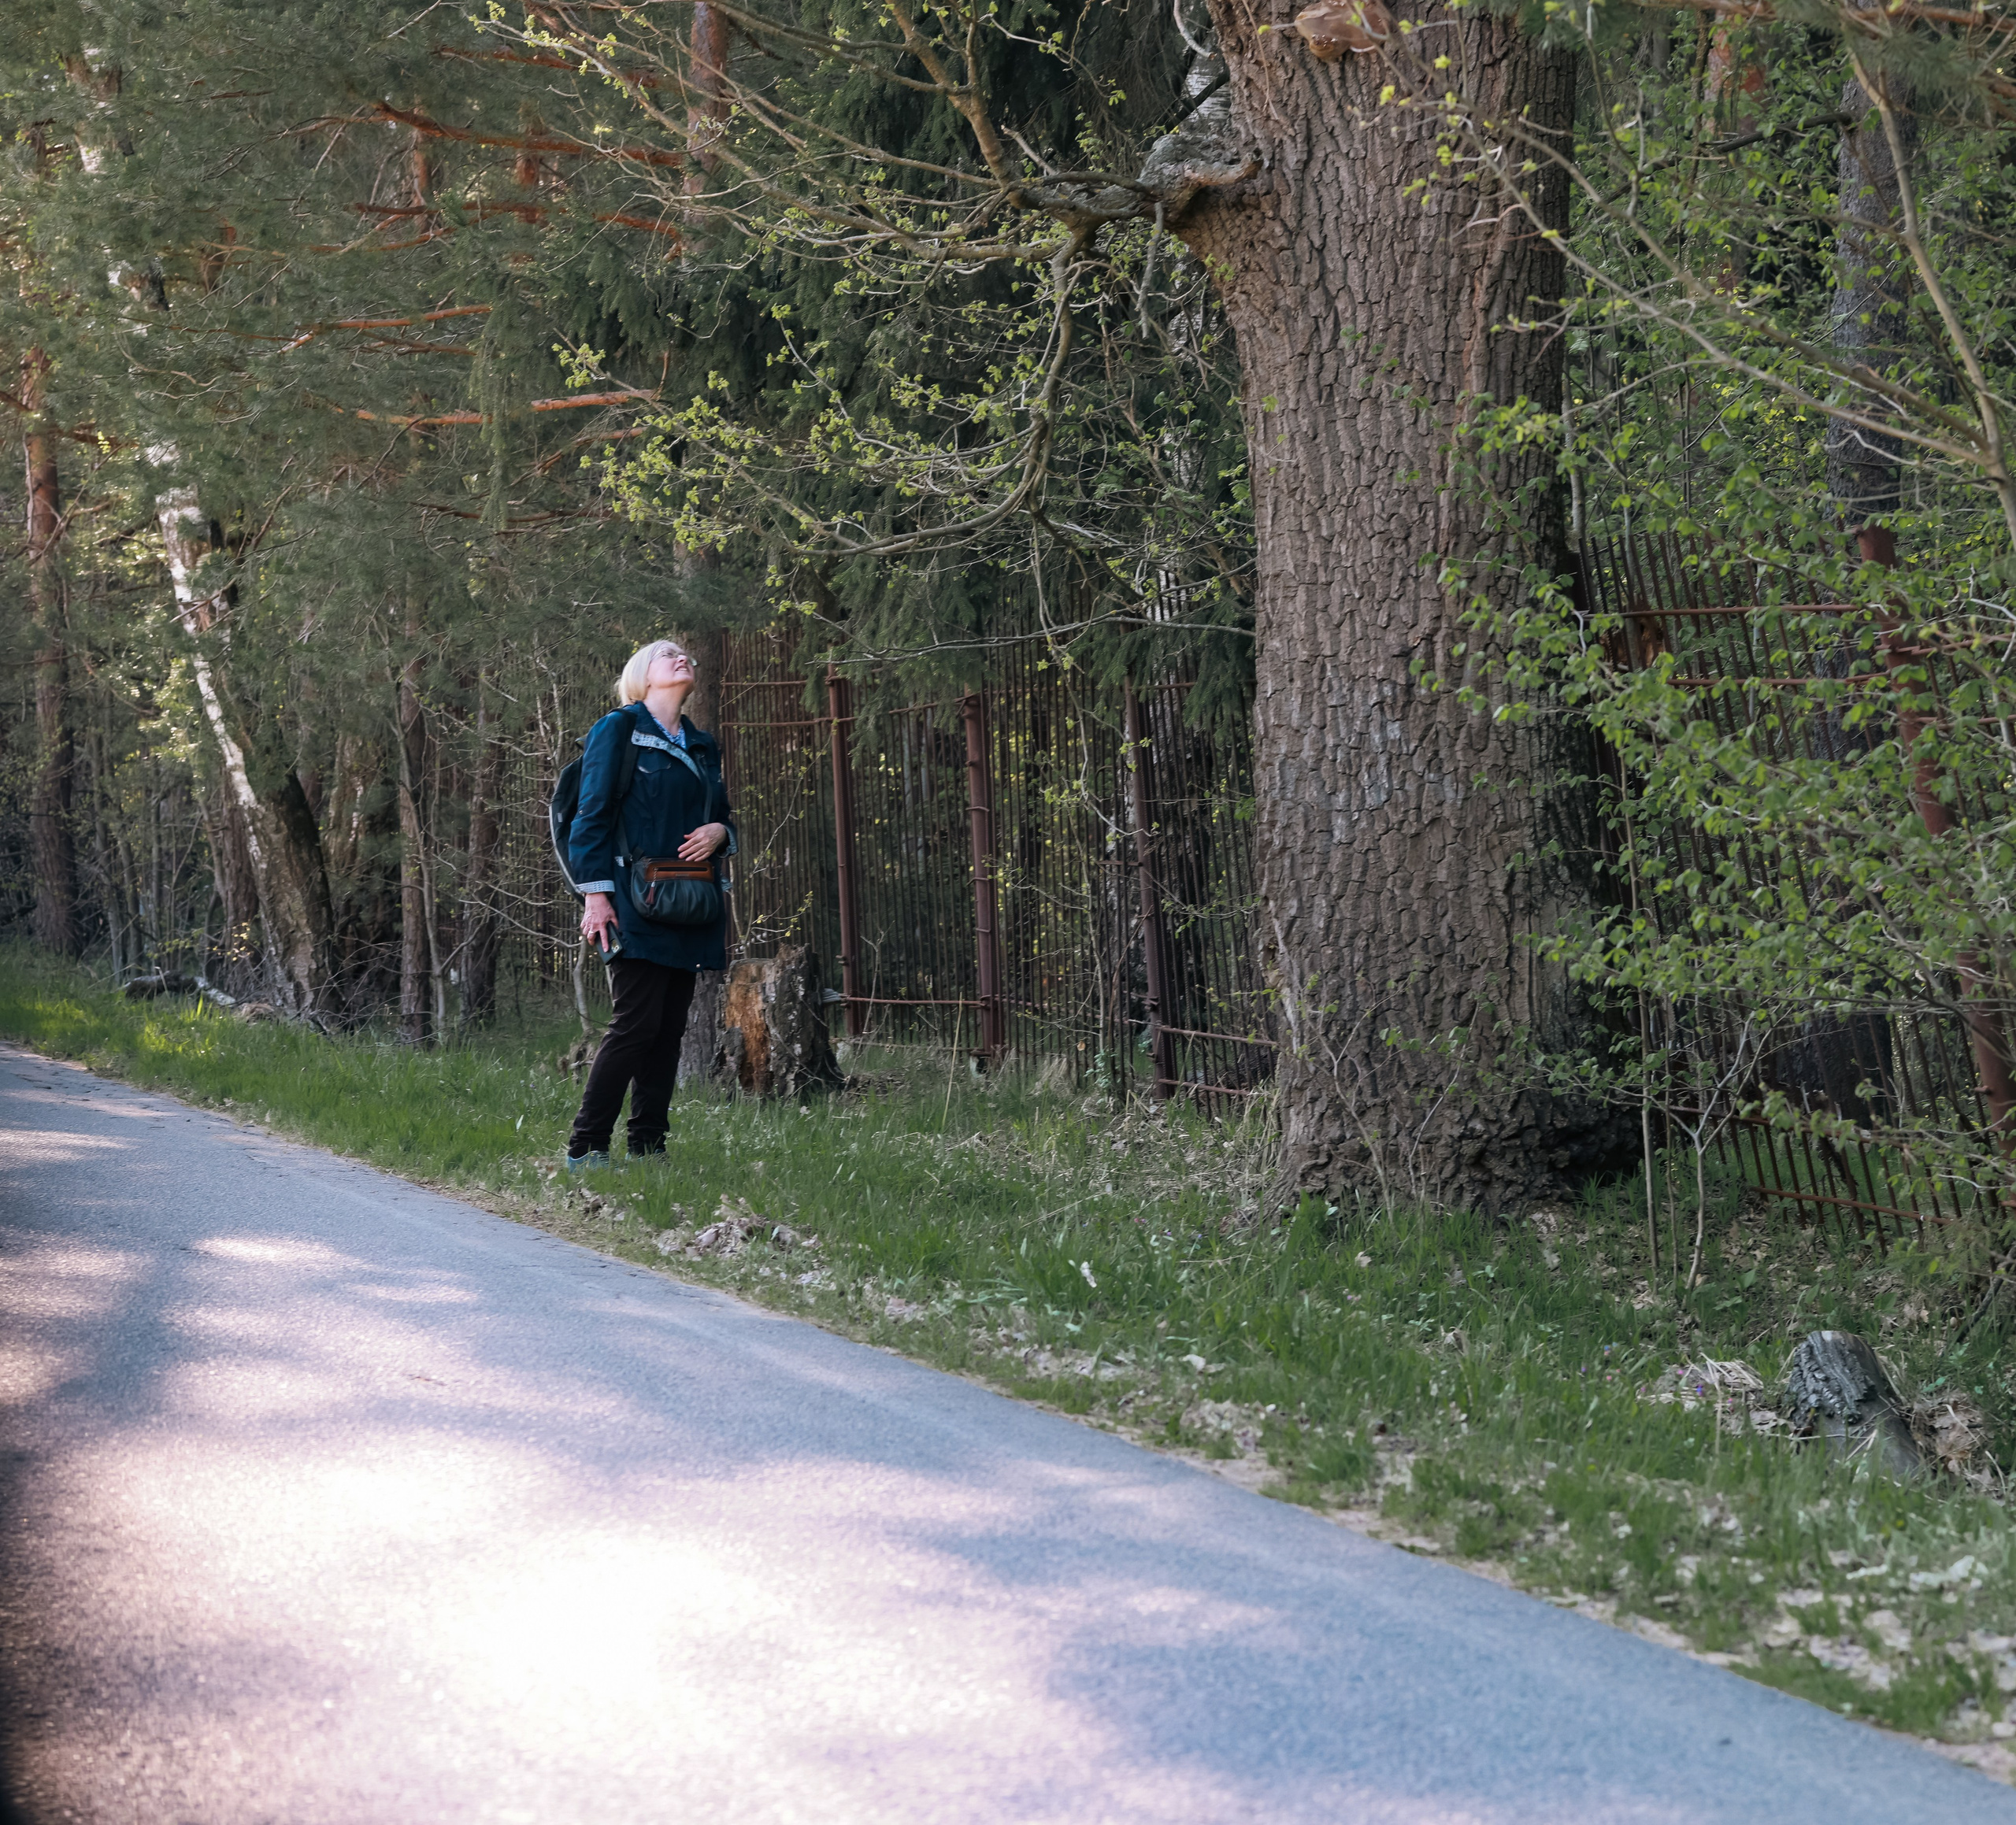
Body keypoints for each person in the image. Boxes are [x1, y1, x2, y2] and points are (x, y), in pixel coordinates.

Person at [564, 639, 735, 1171]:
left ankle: (647, 1147)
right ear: (644, 674)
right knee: (635, 1025)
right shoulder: (618, 729)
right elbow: (588, 818)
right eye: (668, 654)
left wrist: (719, 832)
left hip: (689, 902)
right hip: (631, 902)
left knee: (669, 1030)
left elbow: (724, 817)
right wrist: (595, 897)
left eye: (686, 653)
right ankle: (587, 1148)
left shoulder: (703, 745)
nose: (681, 657)